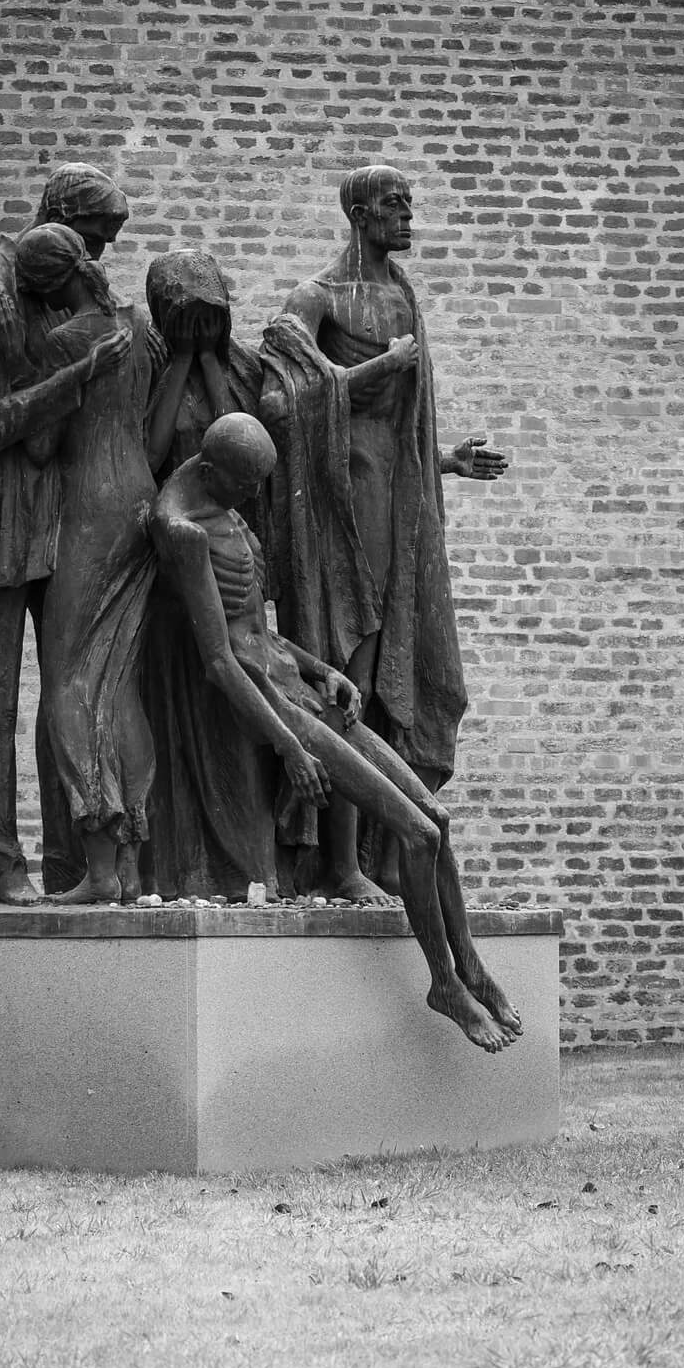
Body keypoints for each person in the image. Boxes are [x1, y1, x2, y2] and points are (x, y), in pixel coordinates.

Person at [150, 414, 522, 1052]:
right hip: (277, 708)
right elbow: (219, 660)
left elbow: (260, 630)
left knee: (438, 819)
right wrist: (289, 746)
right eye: (246, 485)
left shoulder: (225, 497)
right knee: (416, 833)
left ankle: (472, 964)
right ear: (215, 472)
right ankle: (444, 984)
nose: (255, 497)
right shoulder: (182, 531)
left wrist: (324, 670)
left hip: (300, 684)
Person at [260, 163, 507, 891]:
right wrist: (377, 372)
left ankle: (369, 855)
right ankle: (335, 864)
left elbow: (393, 440)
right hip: (336, 516)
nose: (408, 218)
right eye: (395, 207)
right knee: (346, 674)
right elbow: (281, 401)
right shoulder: (316, 298)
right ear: (361, 215)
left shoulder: (403, 296)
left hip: (395, 508)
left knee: (385, 675)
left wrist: (448, 462)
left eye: (410, 205)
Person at [0, 163, 138, 902]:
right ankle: (4, 866)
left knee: (71, 682)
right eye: (92, 239)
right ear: (56, 216)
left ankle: (72, 864)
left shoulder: (60, 286)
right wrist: (74, 379)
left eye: (105, 246)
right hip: (2, 506)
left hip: (64, 504)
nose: (97, 260)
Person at [139, 252, 305, 900]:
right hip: (177, 578)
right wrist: (181, 360)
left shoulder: (241, 371)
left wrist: (210, 359)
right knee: (184, 729)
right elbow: (154, 454)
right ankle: (186, 872)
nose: (200, 328)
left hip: (235, 556)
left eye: (210, 318)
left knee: (240, 736)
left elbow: (243, 433)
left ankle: (249, 871)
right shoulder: (156, 369)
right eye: (186, 318)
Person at [12, 224, 157, 905]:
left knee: (70, 681)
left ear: (44, 287)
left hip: (89, 509)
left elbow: (39, 447)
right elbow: (152, 427)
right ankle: (128, 868)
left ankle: (98, 870)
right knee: (118, 679)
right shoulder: (142, 327)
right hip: (140, 502)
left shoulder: (65, 343)